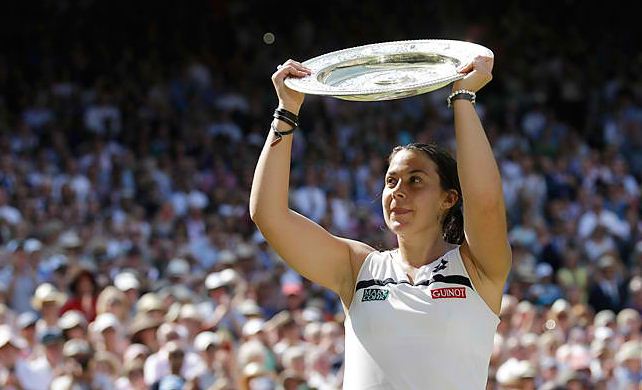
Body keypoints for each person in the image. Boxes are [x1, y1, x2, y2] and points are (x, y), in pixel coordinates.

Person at [250, 54, 511, 389]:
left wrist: (462, 97)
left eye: (415, 180)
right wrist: (286, 110)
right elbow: (267, 215)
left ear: (449, 198)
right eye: (391, 181)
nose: (398, 192)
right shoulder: (358, 267)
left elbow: (486, 203)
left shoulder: (478, 267)